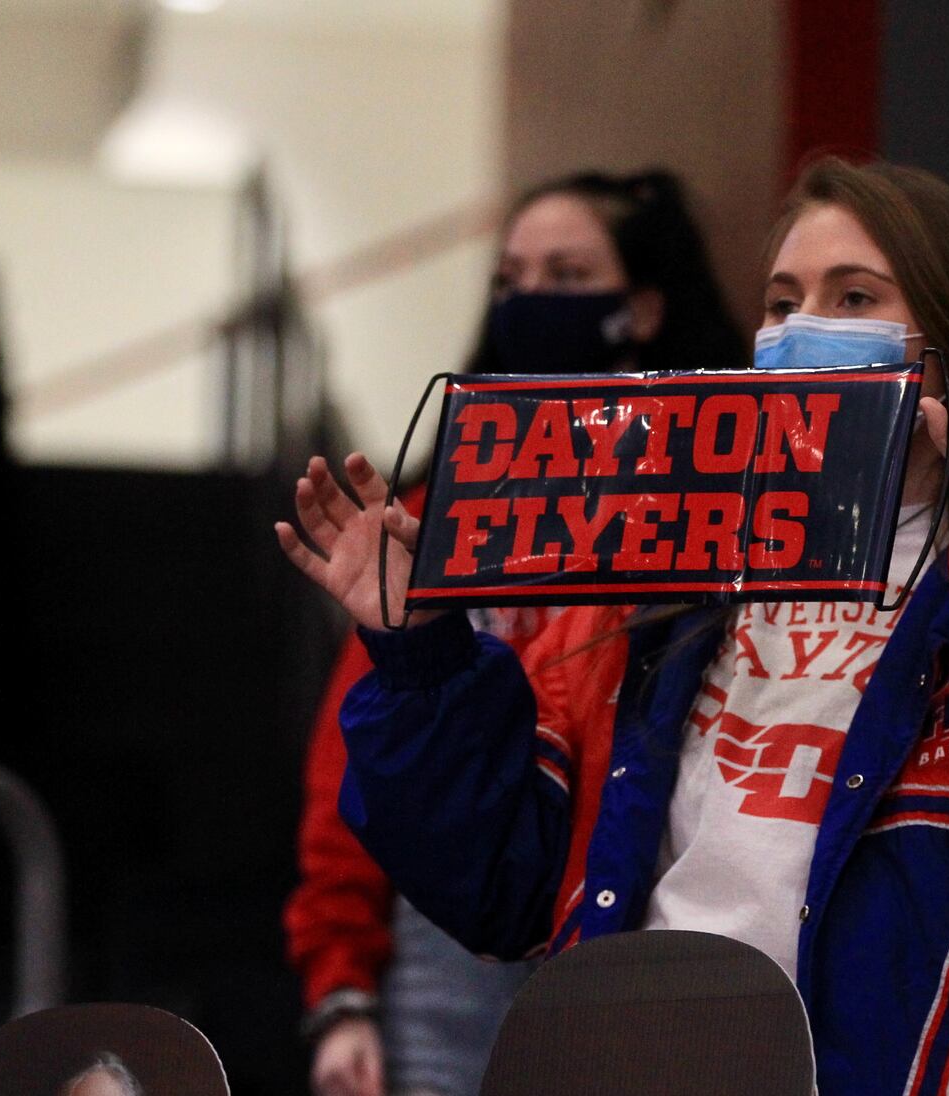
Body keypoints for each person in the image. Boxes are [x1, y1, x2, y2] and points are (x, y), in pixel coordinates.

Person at [276, 156, 949, 1096]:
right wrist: (422, 653)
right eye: (779, 304)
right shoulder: (657, 575)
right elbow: (497, 885)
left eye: (852, 297)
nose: (799, 327)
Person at [282, 169, 745, 1096]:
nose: (531, 300)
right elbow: (352, 772)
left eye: (568, 277)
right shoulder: (423, 519)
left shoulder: (716, 515)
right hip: (447, 975)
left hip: (646, 957)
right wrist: (341, 989)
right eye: (511, 278)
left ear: (644, 306)